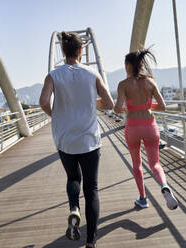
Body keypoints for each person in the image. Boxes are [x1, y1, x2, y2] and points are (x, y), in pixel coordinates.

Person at [39, 32, 113, 248]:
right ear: (81, 51)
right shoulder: (92, 74)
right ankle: (90, 242)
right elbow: (108, 103)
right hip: (89, 140)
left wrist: (56, 115)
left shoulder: (53, 75)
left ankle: (74, 209)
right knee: (92, 189)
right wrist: (91, 103)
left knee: (73, 177)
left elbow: (43, 101)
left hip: (65, 139)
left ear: (63, 52)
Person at [114, 49, 178, 210]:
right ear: (141, 65)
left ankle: (143, 198)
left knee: (137, 164)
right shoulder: (151, 82)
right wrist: (147, 105)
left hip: (133, 127)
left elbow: (116, 108)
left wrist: (126, 107)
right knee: (155, 164)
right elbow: (163, 107)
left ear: (128, 66)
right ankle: (164, 186)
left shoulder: (123, 85)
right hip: (150, 126)